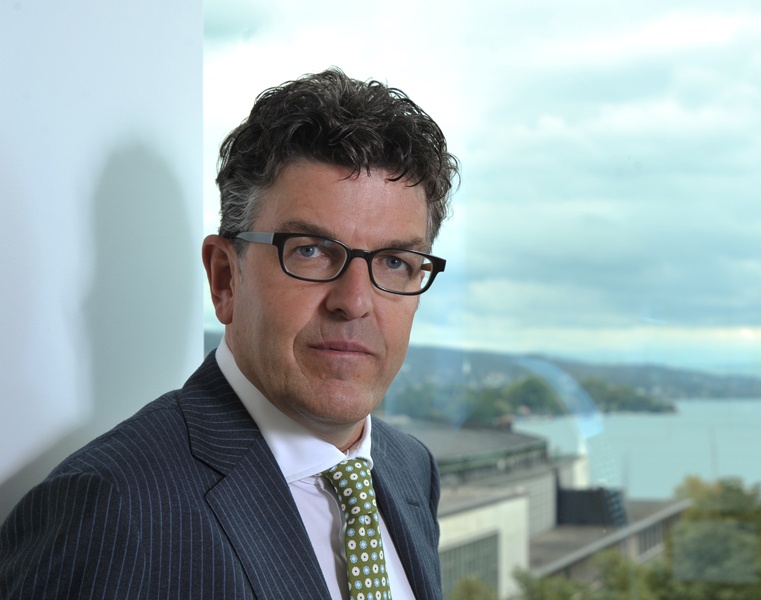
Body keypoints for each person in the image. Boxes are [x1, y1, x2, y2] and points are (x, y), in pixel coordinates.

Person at [0, 68, 459, 599]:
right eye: (310, 251)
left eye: (396, 262)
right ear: (225, 278)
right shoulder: (112, 508)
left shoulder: (409, 470)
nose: (354, 302)